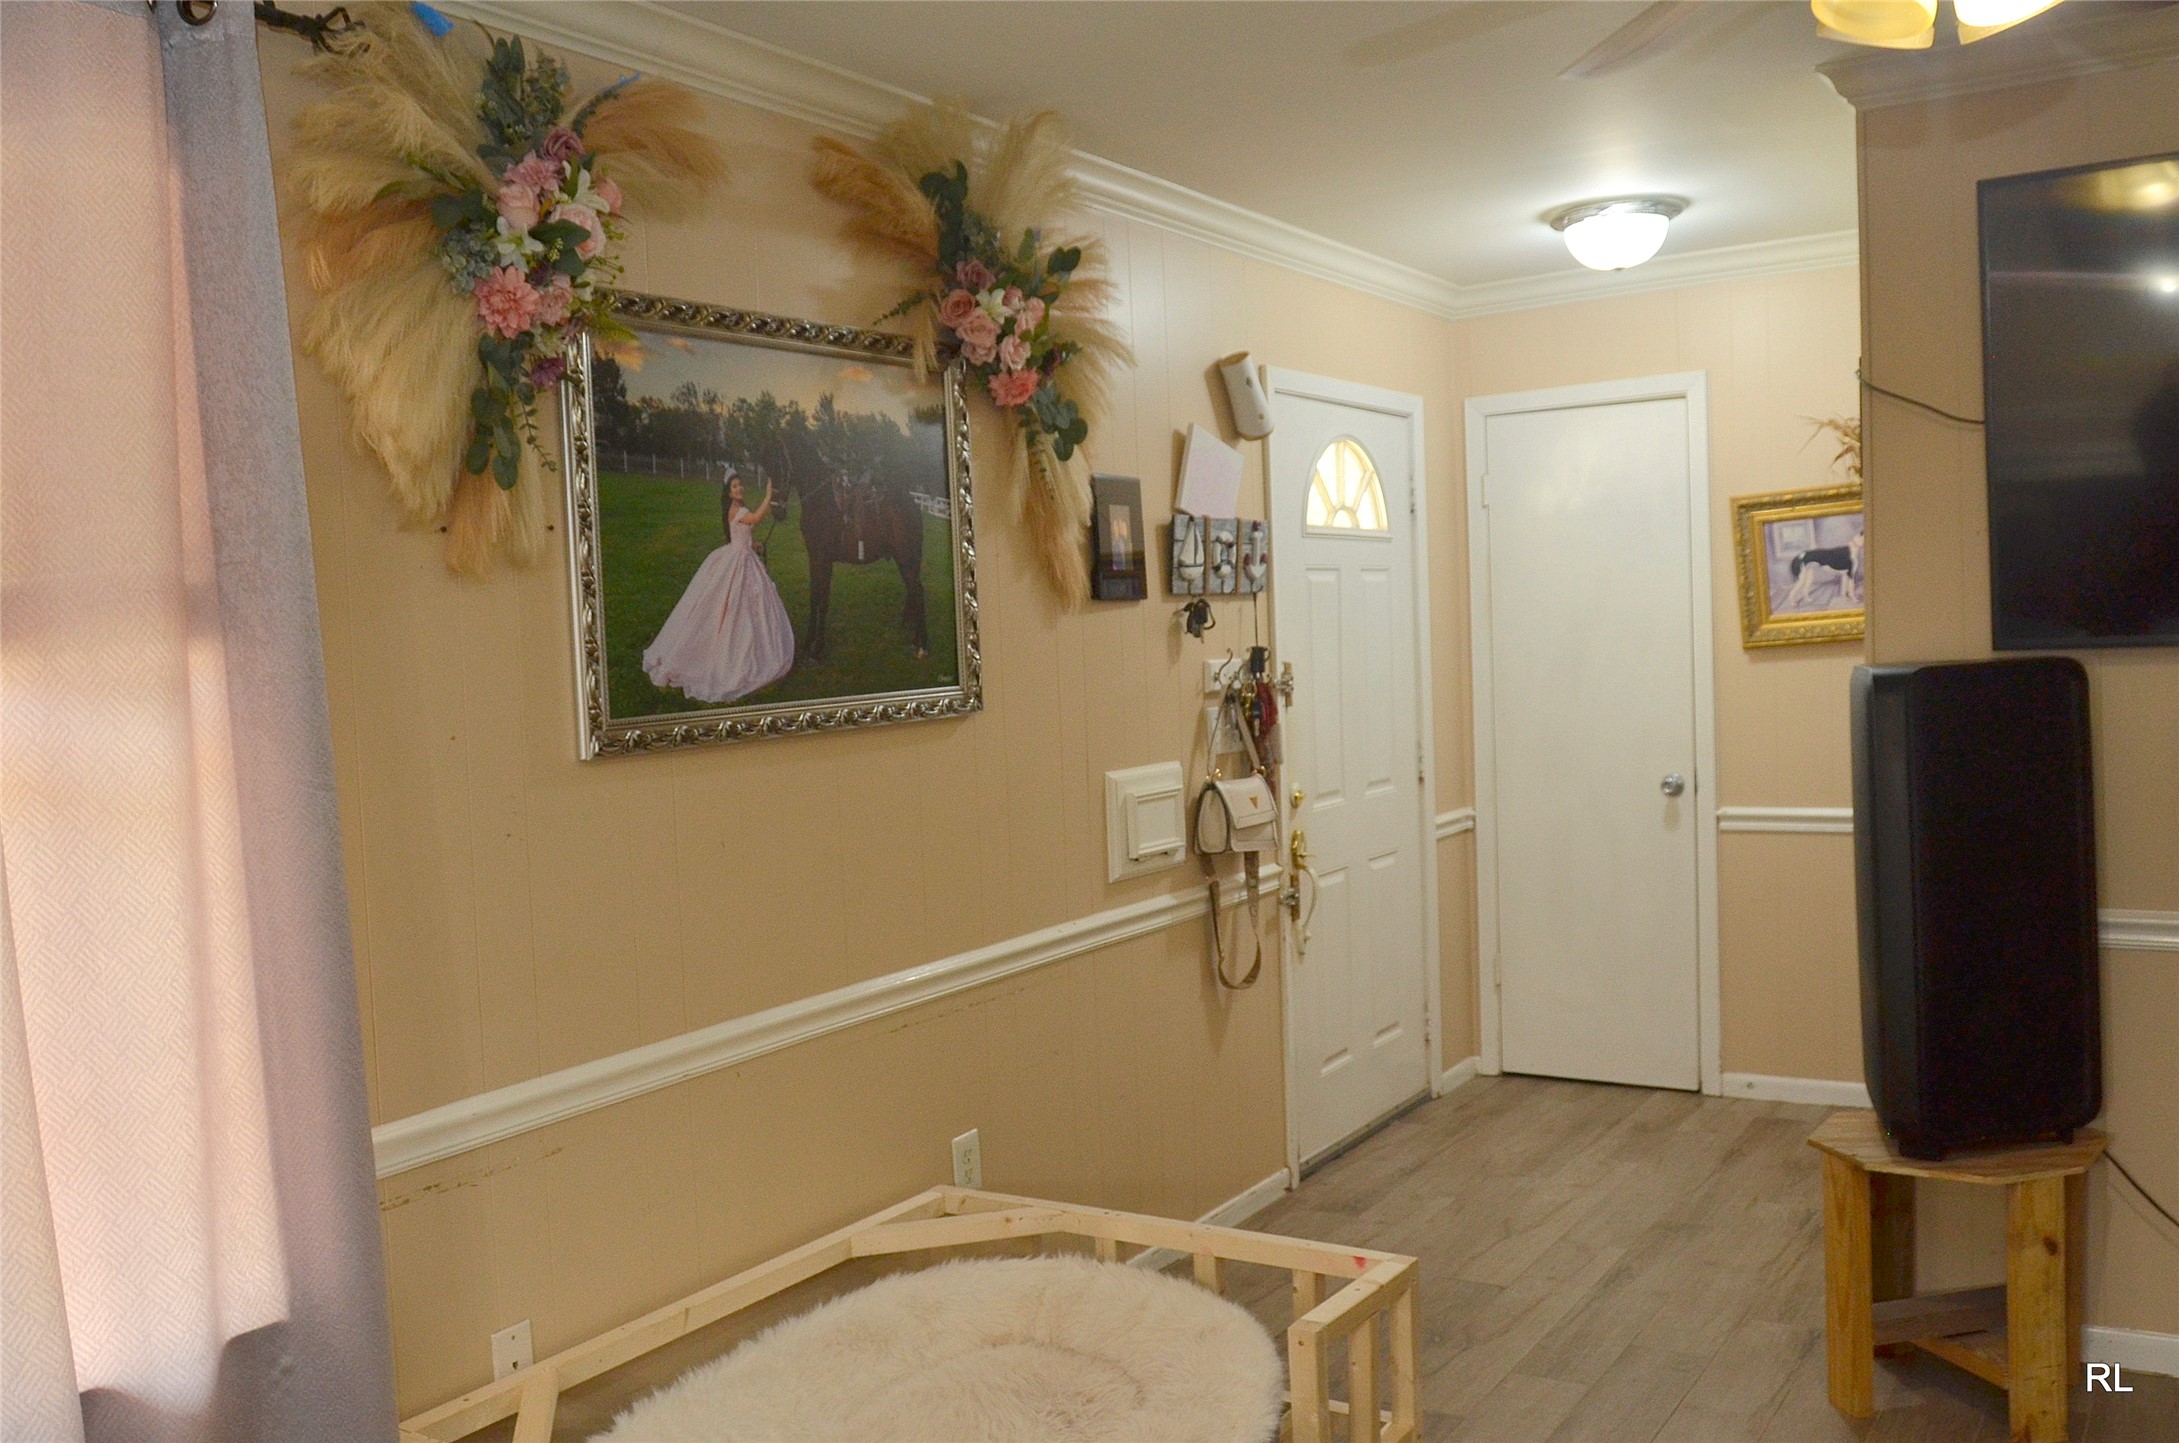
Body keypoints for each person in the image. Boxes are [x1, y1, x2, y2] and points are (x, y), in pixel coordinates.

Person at [643, 466, 795, 704]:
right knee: (735, 606)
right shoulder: (738, 509)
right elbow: (754, 519)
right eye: (735, 486)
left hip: (741, 556)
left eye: (741, 485)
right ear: (729, 492)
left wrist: (754, 546)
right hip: (737, 562)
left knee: (746, 605)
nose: (740, 488)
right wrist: (768, 496)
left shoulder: (734, 510)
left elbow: (742, 534)